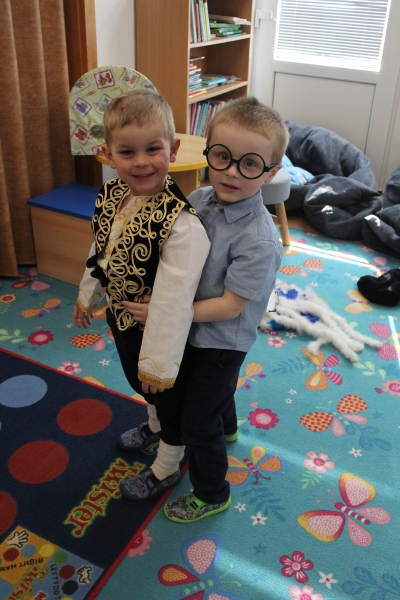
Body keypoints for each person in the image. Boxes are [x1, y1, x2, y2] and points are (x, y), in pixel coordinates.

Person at [119, 96, 289, 522]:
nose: (232, 171)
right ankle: (226, 425)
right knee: (200, 394)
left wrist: (167, 312)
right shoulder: (199, 197)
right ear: (208, 152)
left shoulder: (259, 240)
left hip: (221, 341)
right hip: (190, 327)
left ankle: (212, 493)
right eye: (222, 157)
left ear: (270, 172)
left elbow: (231, 306)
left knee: (198, 421)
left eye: (250, 164)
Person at [73, 89, 210, 498]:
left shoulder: (182, 225)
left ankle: (167, 463)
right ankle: (153, 426)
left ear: (173, 149)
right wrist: (88, 293)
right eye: (127, 152)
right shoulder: (112, 195)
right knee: (139, 383)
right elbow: (102, 247)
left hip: (161, 335)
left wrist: (158, 362)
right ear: (108, 155)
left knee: (166, 395)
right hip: (122, 319)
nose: (141, 162)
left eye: (153, 149)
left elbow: (175, 298)